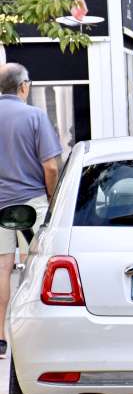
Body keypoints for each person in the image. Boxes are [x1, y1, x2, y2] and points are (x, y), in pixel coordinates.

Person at [0, 63, 62, 359]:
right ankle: (31, 338)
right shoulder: (35, 116)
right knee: (34, 269)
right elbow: (50, 166)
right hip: (31, 205)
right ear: (23, 86)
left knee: (1, 271)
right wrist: (52, 200)